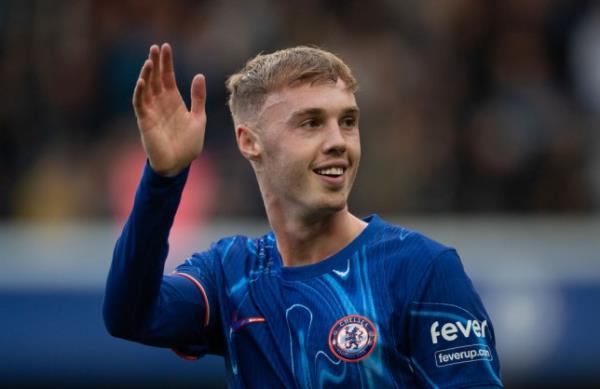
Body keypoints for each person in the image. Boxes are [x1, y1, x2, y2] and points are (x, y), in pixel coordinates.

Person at [103, 43, 503, 388]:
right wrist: (164, 177)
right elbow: (131, 316)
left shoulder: (423, 271)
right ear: (249, 141)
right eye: (311, 123)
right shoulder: (231, 275)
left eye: (348, 122)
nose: (338, 142)